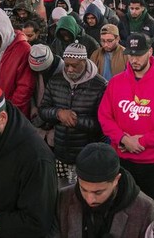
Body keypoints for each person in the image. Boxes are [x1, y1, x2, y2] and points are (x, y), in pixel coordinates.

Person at [98, 33, 154, 214]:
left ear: (150, 52)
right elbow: (104, 117)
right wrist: (123, 139)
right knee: (121, 214)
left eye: (139, 54)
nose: (134, 59)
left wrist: (140, 142)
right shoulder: (115, 83)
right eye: (131, 54)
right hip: (122, 161)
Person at [40, 143, 154, 238]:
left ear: (116, 180)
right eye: (84, 189)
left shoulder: (144, 208)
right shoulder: (64, 198)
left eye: (98, 192)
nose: (90, 199)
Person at [39, 42, 107, 186]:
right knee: (62, 193)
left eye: (74, 66)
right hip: (61, 152)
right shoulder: (56, 80)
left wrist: (76, 121)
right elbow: (43, 110)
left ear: (84, 62)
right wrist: (58, 114)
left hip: (87, 154)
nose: (69, 69)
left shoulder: (99, 85)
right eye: (67, 65)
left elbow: (102, 123)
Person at [0, 8, 35, 118]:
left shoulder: (23, 49)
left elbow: (25, 87)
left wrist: (8, 110)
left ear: (4, 31)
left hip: (15, 112)